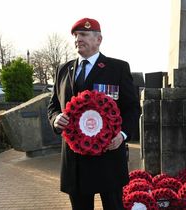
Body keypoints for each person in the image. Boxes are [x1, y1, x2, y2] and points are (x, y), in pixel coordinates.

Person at [47, 17, 140, 210]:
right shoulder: (63, 70)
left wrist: (122, 135)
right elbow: (53, 105)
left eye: (84, 34)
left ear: (99, 40)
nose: (78, 39)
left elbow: (132, 107)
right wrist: (56, 119)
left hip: (108, 155)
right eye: (75, 35)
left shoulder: (118, 68)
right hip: (75, 161)